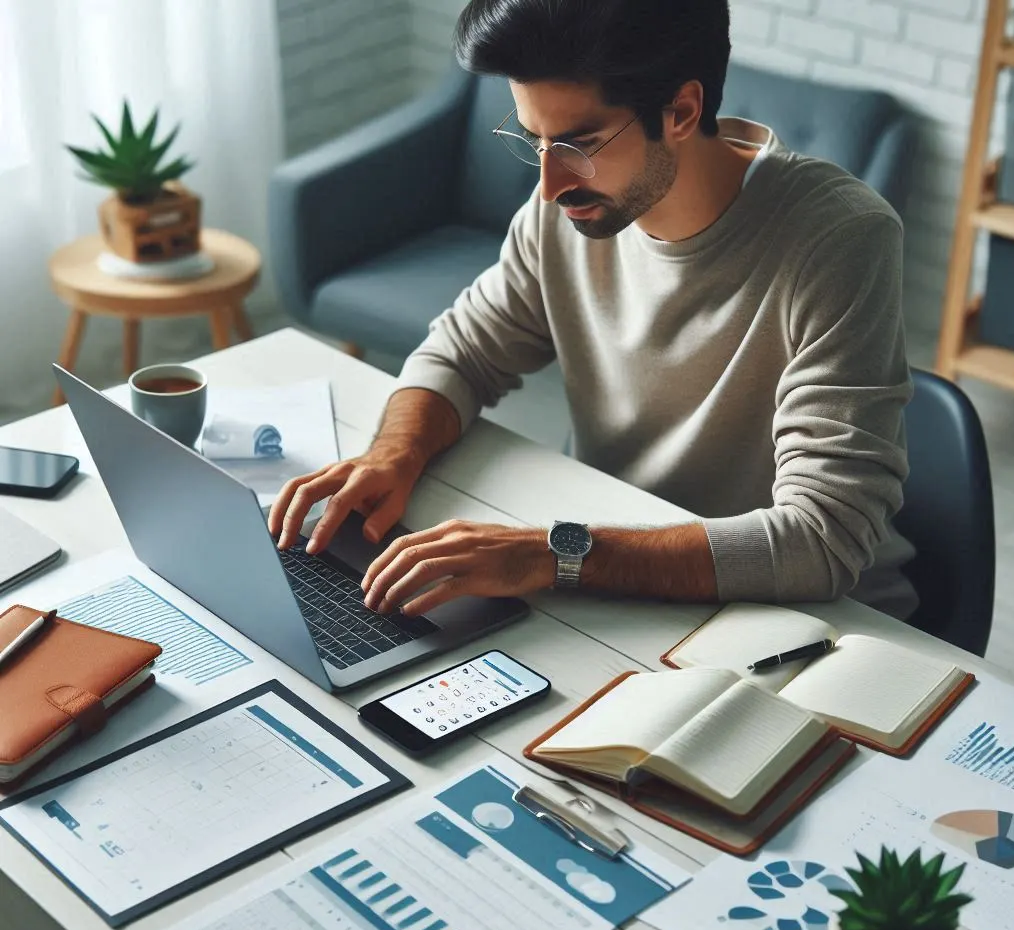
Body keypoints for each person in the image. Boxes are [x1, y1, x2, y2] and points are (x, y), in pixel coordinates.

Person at [270, 0, 917, 623]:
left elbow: (822, 538)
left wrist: (553, 553)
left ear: (682, 110)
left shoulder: (839, 238)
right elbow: (461, 353)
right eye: (534, 141)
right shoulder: (565, 207)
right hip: (617, 579)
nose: (549, 185)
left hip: (798, 618)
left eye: (578, 143)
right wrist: (394, 454)